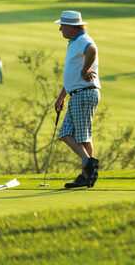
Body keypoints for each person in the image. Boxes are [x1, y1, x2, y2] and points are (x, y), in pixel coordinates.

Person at [54, 10, 101, 188]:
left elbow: (92, 50)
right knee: (69, 133)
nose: (60, 29)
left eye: (63, 26)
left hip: (84, 92)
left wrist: (84, 71)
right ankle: (87, 170)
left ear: (72, 27)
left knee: (79, 136)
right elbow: (71, 75)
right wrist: (61, 97)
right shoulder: (74, 42)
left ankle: (87, 168)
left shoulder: (83, 40)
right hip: (78, 93)